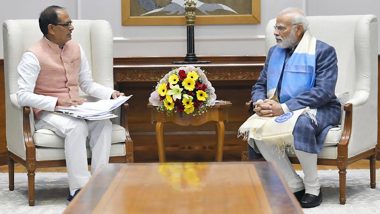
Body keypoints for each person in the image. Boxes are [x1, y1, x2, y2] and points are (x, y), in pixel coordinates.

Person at [16, 5, 124, 202]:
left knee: (104, 124)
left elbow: (87, 84)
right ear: (51, 28)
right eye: (67, 24)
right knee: (76, 127)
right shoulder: (32, 55)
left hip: (76, 108)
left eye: (71, 23)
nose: (72, 27)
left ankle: (100, 183)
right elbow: (23, 95)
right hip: (49, 113)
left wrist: (110, 94)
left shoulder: (76, 47)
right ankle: (80, 189)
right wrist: (56, 101)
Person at [248, 8, 341, 208]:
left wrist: (284, 107)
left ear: (298, 30)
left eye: (281, 28)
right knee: (255, 129)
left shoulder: (323, 51)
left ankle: (313, 188)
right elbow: (260, 85)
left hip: (322, 108)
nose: (275, 32)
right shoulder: (275, 52)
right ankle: (293, 184)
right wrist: (259, 102)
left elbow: (323, 91)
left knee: (302, 123)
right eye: (275, 27)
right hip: (280, 108)